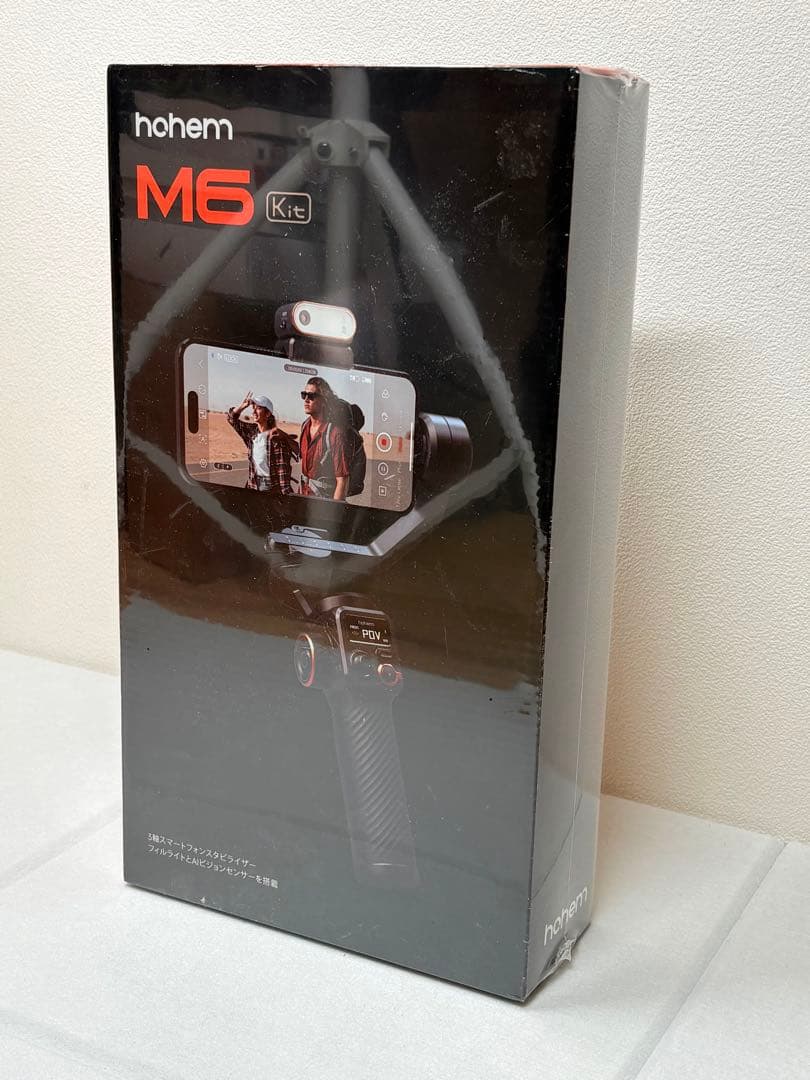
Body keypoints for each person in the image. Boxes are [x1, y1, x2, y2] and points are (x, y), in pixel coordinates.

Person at [226, 391, 298, 494]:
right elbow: (231, 418)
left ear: (268, 414)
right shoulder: (251, 432)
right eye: (253, 408)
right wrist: (243, 406)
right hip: (252, 485)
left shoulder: (276, 438)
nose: (254, 412)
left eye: (259, 408)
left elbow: (282, 472)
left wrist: (285, 497)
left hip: (270, 489)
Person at [299, 377, 351, 501]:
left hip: (323, 502)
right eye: (304, 395)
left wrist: (335, 509)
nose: (306, 400)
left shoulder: (334, 434)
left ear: (323, 401)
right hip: (303, 496)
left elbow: (342, 480)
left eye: (311, 396)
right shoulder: (305, 427)